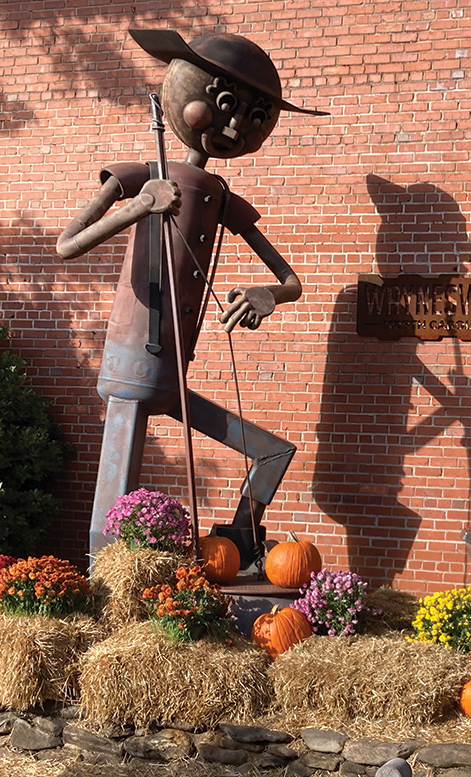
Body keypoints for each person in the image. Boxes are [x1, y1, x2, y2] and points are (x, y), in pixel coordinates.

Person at [56, 28, 325, 566]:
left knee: (272, 451)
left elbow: (290, 280)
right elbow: (67, 245)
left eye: (252, 118)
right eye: (224, 104)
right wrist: (137, 207)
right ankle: (108, 583)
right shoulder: (142, 175)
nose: (232, 126)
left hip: (173, 373)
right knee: (110, 518)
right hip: (134, 365)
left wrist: (267, 294)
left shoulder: (223, 197)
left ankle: (235, 545)